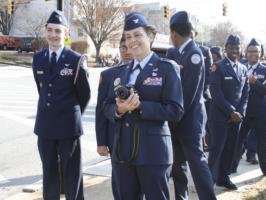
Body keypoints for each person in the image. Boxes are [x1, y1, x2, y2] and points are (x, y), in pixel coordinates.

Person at [103, 12, 184, 200]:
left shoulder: (167, 68)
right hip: (123, 153)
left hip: (153, 153)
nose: (132, 41)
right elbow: (106, 107)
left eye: (137, 35)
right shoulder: (120, 72)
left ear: (150, 36)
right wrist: (119, 110)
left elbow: (176, 110)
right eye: (128, 36)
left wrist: (141, 106)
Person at [32, 11, 90, 200]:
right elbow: (42, 88)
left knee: (72, 174)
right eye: (50, 30)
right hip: (45, 126)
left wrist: (70, 113)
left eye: (58, 31)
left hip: (68, 128)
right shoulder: (38, 58)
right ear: (46, 32)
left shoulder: (75, 59)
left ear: (65, 34)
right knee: (49, 174)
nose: (53, 35)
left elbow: (85, 94)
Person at [167, 11, 216, 200]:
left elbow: (188, 93)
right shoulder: (181, 53)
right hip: (179, 120)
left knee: (197, 163)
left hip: (189, 121)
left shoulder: (193, 54)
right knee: (178, 165)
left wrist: (172, 116)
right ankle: (181, 197)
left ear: (174, 34)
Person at [208, 34, 249, 190]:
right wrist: (231, 111)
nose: (234, 50)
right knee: (216, 149)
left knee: (230, 150)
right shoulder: (217, 67)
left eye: (237, 48)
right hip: (219, 117)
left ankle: (223, 178)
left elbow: (246, 93)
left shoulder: (243, 68)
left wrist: (240, 113)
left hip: (236, 118)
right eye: (231, 47)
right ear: (226, 49)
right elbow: (216, 93)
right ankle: (209, 181)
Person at [95, 35, 133, 200]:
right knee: (120, 185)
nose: (126, 51)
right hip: (116, 139)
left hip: (142, 139)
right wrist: (101, 142)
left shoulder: (147, 72)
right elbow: (101, 110)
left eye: (129, 47)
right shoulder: (109, 75)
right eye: (122, 47)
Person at [232, 38, 266, 176]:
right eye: (250, 51)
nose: (252, 54)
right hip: (244, 111)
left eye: (256, 51)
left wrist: (254, 83)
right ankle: (232, 166)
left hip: (261, 112)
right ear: (246, 52)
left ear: (261, 53)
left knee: (263, 142)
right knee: (238, 140)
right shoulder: (240, 67)